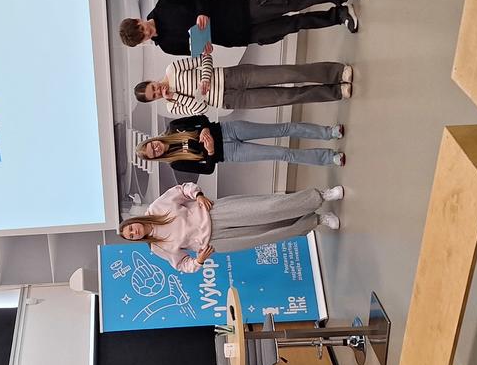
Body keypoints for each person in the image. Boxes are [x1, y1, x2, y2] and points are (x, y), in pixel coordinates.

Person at [119, 182, 345, 273]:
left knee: (268, 207)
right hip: (217, 242)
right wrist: (198, 261)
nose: (134, 232)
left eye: (131, 229)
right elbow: (181, 265)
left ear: (133, 222)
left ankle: (321, 196)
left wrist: (197, 195)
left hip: (215, 213)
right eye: (131, 236)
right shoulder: (157, 248)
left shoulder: (157, 207)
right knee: (268, 233)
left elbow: (182, 190)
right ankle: (317, 221)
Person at [120, 0, 364, 54]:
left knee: (290, 2)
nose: (147, 33)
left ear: (138, 20)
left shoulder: (164, 3)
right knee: (294, 24)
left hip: (240, 7)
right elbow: (197, 50)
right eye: (143, 37)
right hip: (239, 35)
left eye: (142, 29)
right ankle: (338, 16)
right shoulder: (167, 46)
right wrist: (205, 49)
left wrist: (202, 13)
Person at [134, 52, 353, 116]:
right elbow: (201, 109)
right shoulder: (172, 106)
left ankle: (336, 71)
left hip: (232, 76)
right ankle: (336, 91)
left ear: (152, 81)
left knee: (287, 74)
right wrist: (176, 96)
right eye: (155, 96)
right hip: (230, 100)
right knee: (287, 97)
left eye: (153, 88)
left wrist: (205, 78)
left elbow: (205, 58)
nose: (158, 91)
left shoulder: (172, 69)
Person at [137, 116, 345, 175]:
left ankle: (328, 132)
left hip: (229, 130)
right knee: (283, 154)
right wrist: (210, 151)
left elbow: (201, 118)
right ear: (157, 158)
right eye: (154, 153)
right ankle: (330, 158)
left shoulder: (174, 127)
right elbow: (207, 169)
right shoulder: (176, 164)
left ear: (153, 140)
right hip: (231, 153)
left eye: (152, 145)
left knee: (282, 128)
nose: (156, 148)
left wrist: (205, 129)